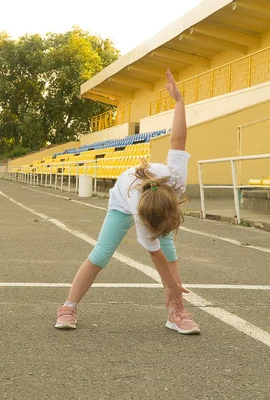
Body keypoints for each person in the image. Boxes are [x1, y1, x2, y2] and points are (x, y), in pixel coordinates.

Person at [55, 69, 200, 335]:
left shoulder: (175, 178)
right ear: (145, 222)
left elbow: (178, 138)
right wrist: (171, 286)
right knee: (101, 254)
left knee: (172, 254)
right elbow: (154, 255)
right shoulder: (138, 210)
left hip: (150, 198)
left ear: (175, 203)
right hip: (122, 199)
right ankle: (68, 306)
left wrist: (179, 102)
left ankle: (176, 313)